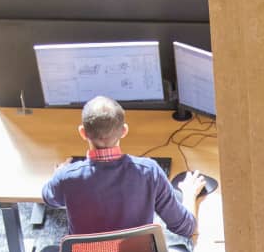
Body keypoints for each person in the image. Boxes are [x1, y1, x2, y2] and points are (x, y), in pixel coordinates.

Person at [41, 95, 200, 241]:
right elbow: (185, 227)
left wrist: (58, 175)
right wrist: (189, 194)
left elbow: (49, 198)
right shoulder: (150, 172)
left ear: (83, 133)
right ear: (124, 131)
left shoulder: (67, 177)